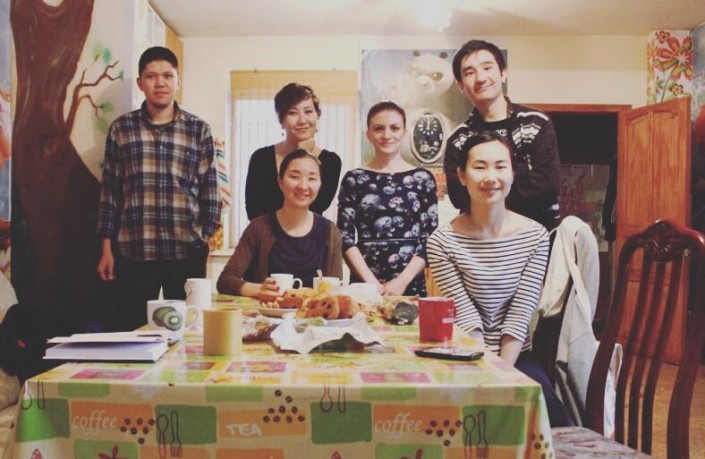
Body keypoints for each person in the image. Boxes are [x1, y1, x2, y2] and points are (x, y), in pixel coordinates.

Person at [427, 131, 572, 427]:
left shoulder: (535, 236)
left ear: (513, 173)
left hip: (515, 354)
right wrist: (485, 374)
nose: (490, 177)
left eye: (500, 166)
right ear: (462, 176)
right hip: (465, 354)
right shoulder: (441, 242)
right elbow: (466, 317)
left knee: (550, 418)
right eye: (479, 167)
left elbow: (521, 313)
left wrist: (501, 374)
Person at [96, 46, 221, 331]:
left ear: (178, 81)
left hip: (186, 249)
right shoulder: (121, 129)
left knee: (188, 330)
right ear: (140, 83)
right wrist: (106, 248)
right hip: (134, 250)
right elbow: (110, 193)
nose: (160, 82)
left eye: (167, 75)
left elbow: (210, 188)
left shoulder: (198, 129)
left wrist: (204, 235)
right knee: (132, 331)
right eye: (151, 76)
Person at [443, 39, 561, 230]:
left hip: (542, 237)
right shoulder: (458, 140)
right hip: (482, 240)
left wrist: (484, 191)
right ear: (460, 85)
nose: (480, 78)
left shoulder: (535, 123)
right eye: (470, 72)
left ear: (503, 73)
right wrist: (522, 173)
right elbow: (459, 197)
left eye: (487, 68)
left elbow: (548, 186)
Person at [337, 101, 438, 296]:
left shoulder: (423, 178)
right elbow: (345, 237)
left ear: (404, 133)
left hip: (410, 284)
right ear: (368, 134)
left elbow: (430, 238)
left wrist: (402, 282)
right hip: (365, 285)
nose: (386, 135)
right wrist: (372, 284)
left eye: (394, 128)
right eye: (378, 128)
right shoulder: (354, 179)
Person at [218, 149, 342, 297]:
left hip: (313, 311)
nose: (303, 186)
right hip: (266, 311)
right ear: (280, 182)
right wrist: (259, 289)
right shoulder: (259, 227)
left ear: (320, 184)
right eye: (294, 177)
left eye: (312, 178)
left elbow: (336, 290)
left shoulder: (330, 232)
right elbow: (225, 281)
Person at [245, 83, 342, 221]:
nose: (302, 120)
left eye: (308, 111)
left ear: (317, 116)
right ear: (281, 120)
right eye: (292, 113)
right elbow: (254, 212)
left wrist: (304, 156)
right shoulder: (261, 158)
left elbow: (316, 206)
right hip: (265, 234)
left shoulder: (331, 162)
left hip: (311, 235)